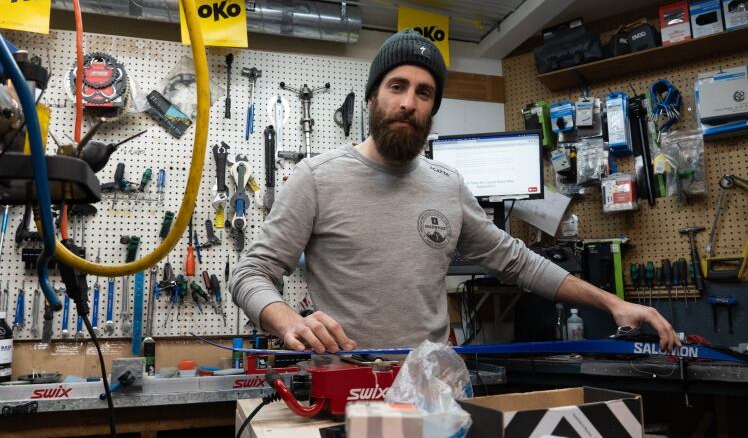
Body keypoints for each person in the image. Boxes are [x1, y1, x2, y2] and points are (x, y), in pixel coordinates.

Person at [229, 29, 679, 354]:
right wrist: (286, 319)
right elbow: (250, 273)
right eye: (397, 87)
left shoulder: (448, 185)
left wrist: (614, 303)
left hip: (432, 388)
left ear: (433, 110)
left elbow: (518, 263)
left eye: (424, 93)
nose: (409, 102)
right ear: (372, 97)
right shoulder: (316, 177)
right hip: (348, 388)